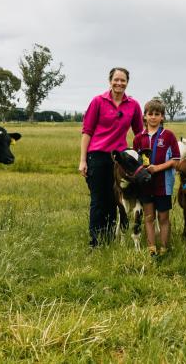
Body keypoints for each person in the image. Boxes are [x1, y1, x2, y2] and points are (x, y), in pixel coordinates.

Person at [79, 67, 143, 247]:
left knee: (116, 200)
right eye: (116, 79)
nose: (119, 83)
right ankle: (96, 242)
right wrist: (83, 160)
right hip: (97, 157)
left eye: (123, 80)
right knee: (99, 200)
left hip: (119, 160)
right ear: (110, 81)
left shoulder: (133, 105)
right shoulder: (98, 101)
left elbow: (139, 133)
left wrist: (140, 159)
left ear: (127, 83)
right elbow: (87, 132)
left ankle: (109, 239)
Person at [132, 99, 180, 257]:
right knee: (149, 217)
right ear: (144, 117)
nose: (153, 117)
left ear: (162, 117)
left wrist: (157, 168)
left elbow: (175, 160)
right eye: (149, 114)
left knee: (163, 217)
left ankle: (164, 249)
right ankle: (151, 249)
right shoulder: (139, 138)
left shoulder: (169, 136)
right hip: (145, 185)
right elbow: (135, 162)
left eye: (157, 114)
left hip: (163, 184)